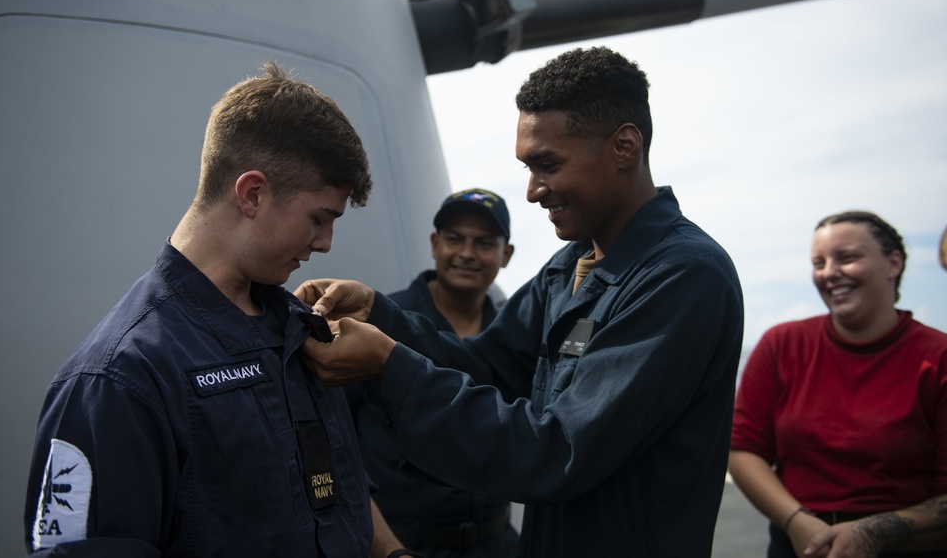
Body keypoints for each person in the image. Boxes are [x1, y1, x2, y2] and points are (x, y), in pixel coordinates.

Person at [296, 46, 745, 557]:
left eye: (547, 164)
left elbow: (558, 450)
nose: (532, 191)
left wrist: (388, 366)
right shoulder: (567, 270)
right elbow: (488, 366)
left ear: (624, 147)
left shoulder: (682, 276)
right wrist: (380, 315)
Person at [23, 62, 414, 557]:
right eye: (318, 219)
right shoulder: (118, 378)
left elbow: (335, 491)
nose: (326, 243)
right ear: (252, 193)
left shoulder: (300, 332)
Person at [729, 211, 947, 558]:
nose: (829, 272)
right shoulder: (780, 345)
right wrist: (797, 522)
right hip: (799, 542)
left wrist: (873, 534)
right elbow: (743, 449)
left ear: (894, 264)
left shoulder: (938, 357)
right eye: (819, 262)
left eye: (847, 258)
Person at [351, 188, 519, 557]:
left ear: (506, 255)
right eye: (454, 239)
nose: (467, 254)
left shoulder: (515, 338)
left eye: (484, 243)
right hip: (403, 547)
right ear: (434, 243)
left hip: (499, 545)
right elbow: (336, 446)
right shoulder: (378, 323)